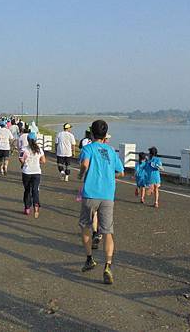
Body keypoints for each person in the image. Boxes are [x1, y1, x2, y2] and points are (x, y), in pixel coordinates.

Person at [78, 120, 124, 285]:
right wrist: (110, 175)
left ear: (91, 133)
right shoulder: (111, 151)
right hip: (108, 195)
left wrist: (81, 174)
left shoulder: (88, 148)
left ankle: (89, 259)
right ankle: (108, 266)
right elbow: (121, 172)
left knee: (85, 226)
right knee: (107, 232)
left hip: (90, 194)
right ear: (105, 135)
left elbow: (85, 164)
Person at [19, 132, 46, 217]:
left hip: (26, 172)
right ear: (36, 139)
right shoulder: (39, 149)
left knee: (27, 190)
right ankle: (36, 205)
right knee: (35, 189)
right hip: (36, 172)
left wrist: (24, 162)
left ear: (27, 140)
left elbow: (21, 159)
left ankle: (27, 208)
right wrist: (37, 161)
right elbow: (43, 161)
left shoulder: (24, 149)